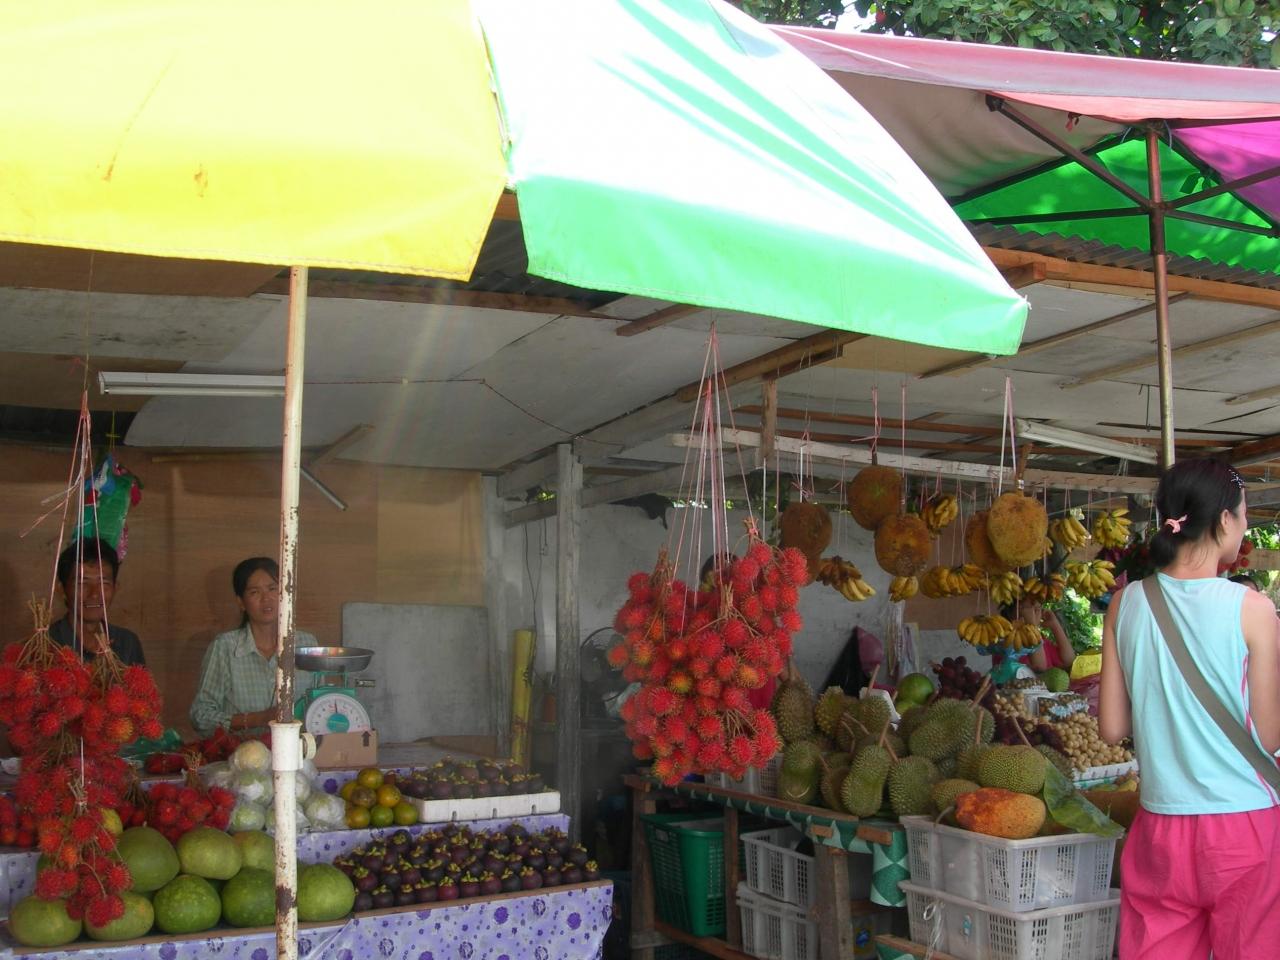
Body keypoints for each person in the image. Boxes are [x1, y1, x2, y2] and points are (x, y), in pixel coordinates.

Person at [1100, 459, 1280, 960]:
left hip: (1160, 825)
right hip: (1243, 825)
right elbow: (1268, 737)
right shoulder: (1252, 608)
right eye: (1244, 515)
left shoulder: (1126, 603)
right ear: (1224, 520)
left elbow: (1112, 728)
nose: (1244, 527)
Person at [190, 557, 316, 736]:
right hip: (239, 752)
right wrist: (258, 719)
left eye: (273, 589)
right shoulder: (225, 647)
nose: (266, 598)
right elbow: (200, 716)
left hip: (296, 751)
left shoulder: (306, 644)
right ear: (241, 602)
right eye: (254, 592)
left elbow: (320, 706)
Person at [51, 538, 145, 667]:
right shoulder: (45, 646)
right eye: (82, 583)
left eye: (103, 583)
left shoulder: (127, 643)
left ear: (115, 588)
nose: (94, 594)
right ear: (62, 590)